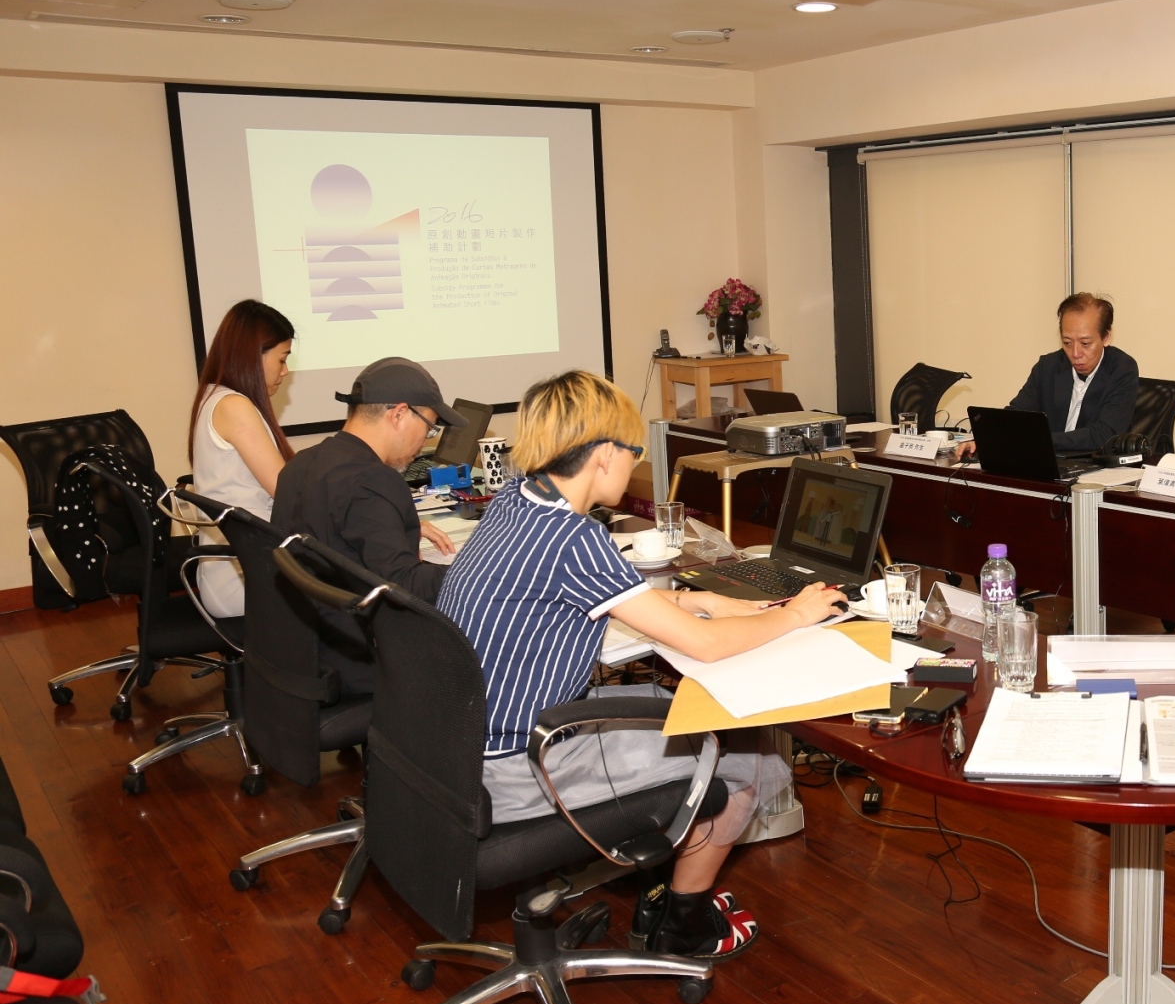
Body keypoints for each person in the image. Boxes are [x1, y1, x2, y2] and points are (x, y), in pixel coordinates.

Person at [438, 370, 846, 961]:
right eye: (632, 452)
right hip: (523, 764)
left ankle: (662, 885)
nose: (633, 464)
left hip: (463, 748)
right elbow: (704, 647)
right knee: (753, 761)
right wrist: (796, 615)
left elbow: (604, 597)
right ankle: (684, 923)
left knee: (683, 712)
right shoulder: (573, 539)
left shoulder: (515, 504)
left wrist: (701, 601)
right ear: (604, 454)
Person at [270, 357, 463, 695]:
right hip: (359, 662)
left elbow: (338, 534)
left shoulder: (302, 463)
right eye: (430, 428)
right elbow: (405, 587)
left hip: (301, 651)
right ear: (399, 414)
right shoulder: (373, 480)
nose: (425, 441)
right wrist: (480, 567)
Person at [186, 300, 295, 618]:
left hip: (238, 567)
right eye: (282, 359)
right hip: (244, 579)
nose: (285, 371)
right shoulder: (234, 406)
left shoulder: (215, 396)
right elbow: (287, 493)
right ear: (253, 355)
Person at [959, 293, 1139, 457]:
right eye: (1067, 342)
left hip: (1094, 465)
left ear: (1106, 337)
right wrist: (987, 438)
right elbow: (1017, 414)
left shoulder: (1122, 369)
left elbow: (1104, 435)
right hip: (1050, 461)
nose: (1075, 353)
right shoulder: (1048, 366)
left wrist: (1042, 439)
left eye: (1085, 343)